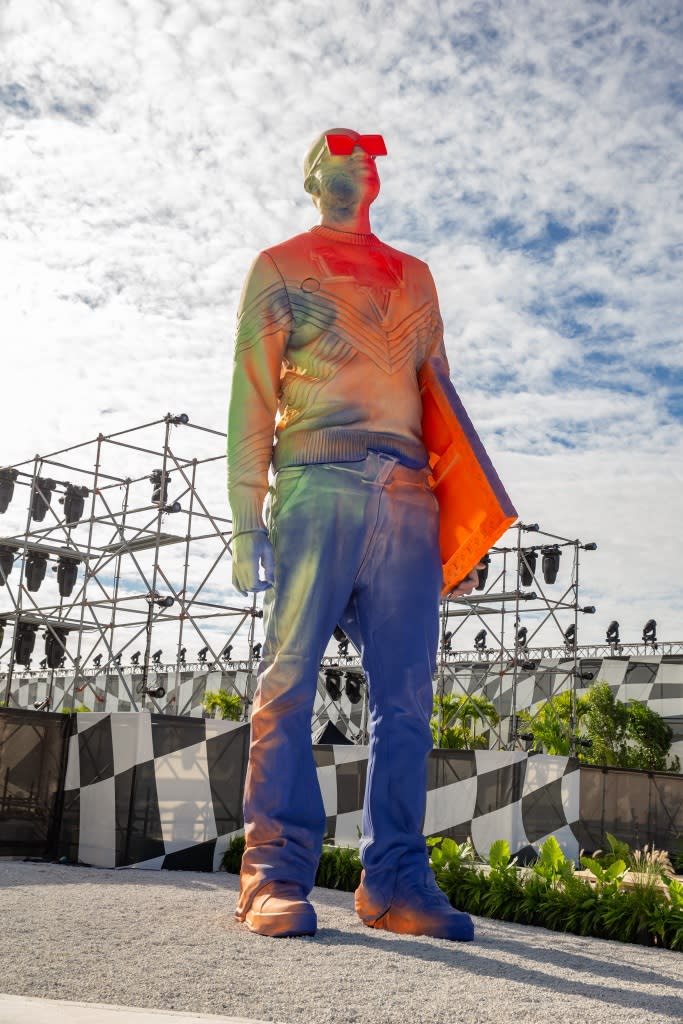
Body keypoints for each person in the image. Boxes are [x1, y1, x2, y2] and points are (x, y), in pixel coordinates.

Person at [227, 128, 476, 940]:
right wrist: (243, 519)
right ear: (312, 176)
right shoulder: (278, 266)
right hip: (314, 480)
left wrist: (464, 525)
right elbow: (252, 396)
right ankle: (271, 872)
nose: (358, 166)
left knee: (406, 700)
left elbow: (437, 393)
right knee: (287, 682)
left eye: (368, 158)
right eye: (340, 156)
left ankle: (395, 880)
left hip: (408, 493)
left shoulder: (416, 277)